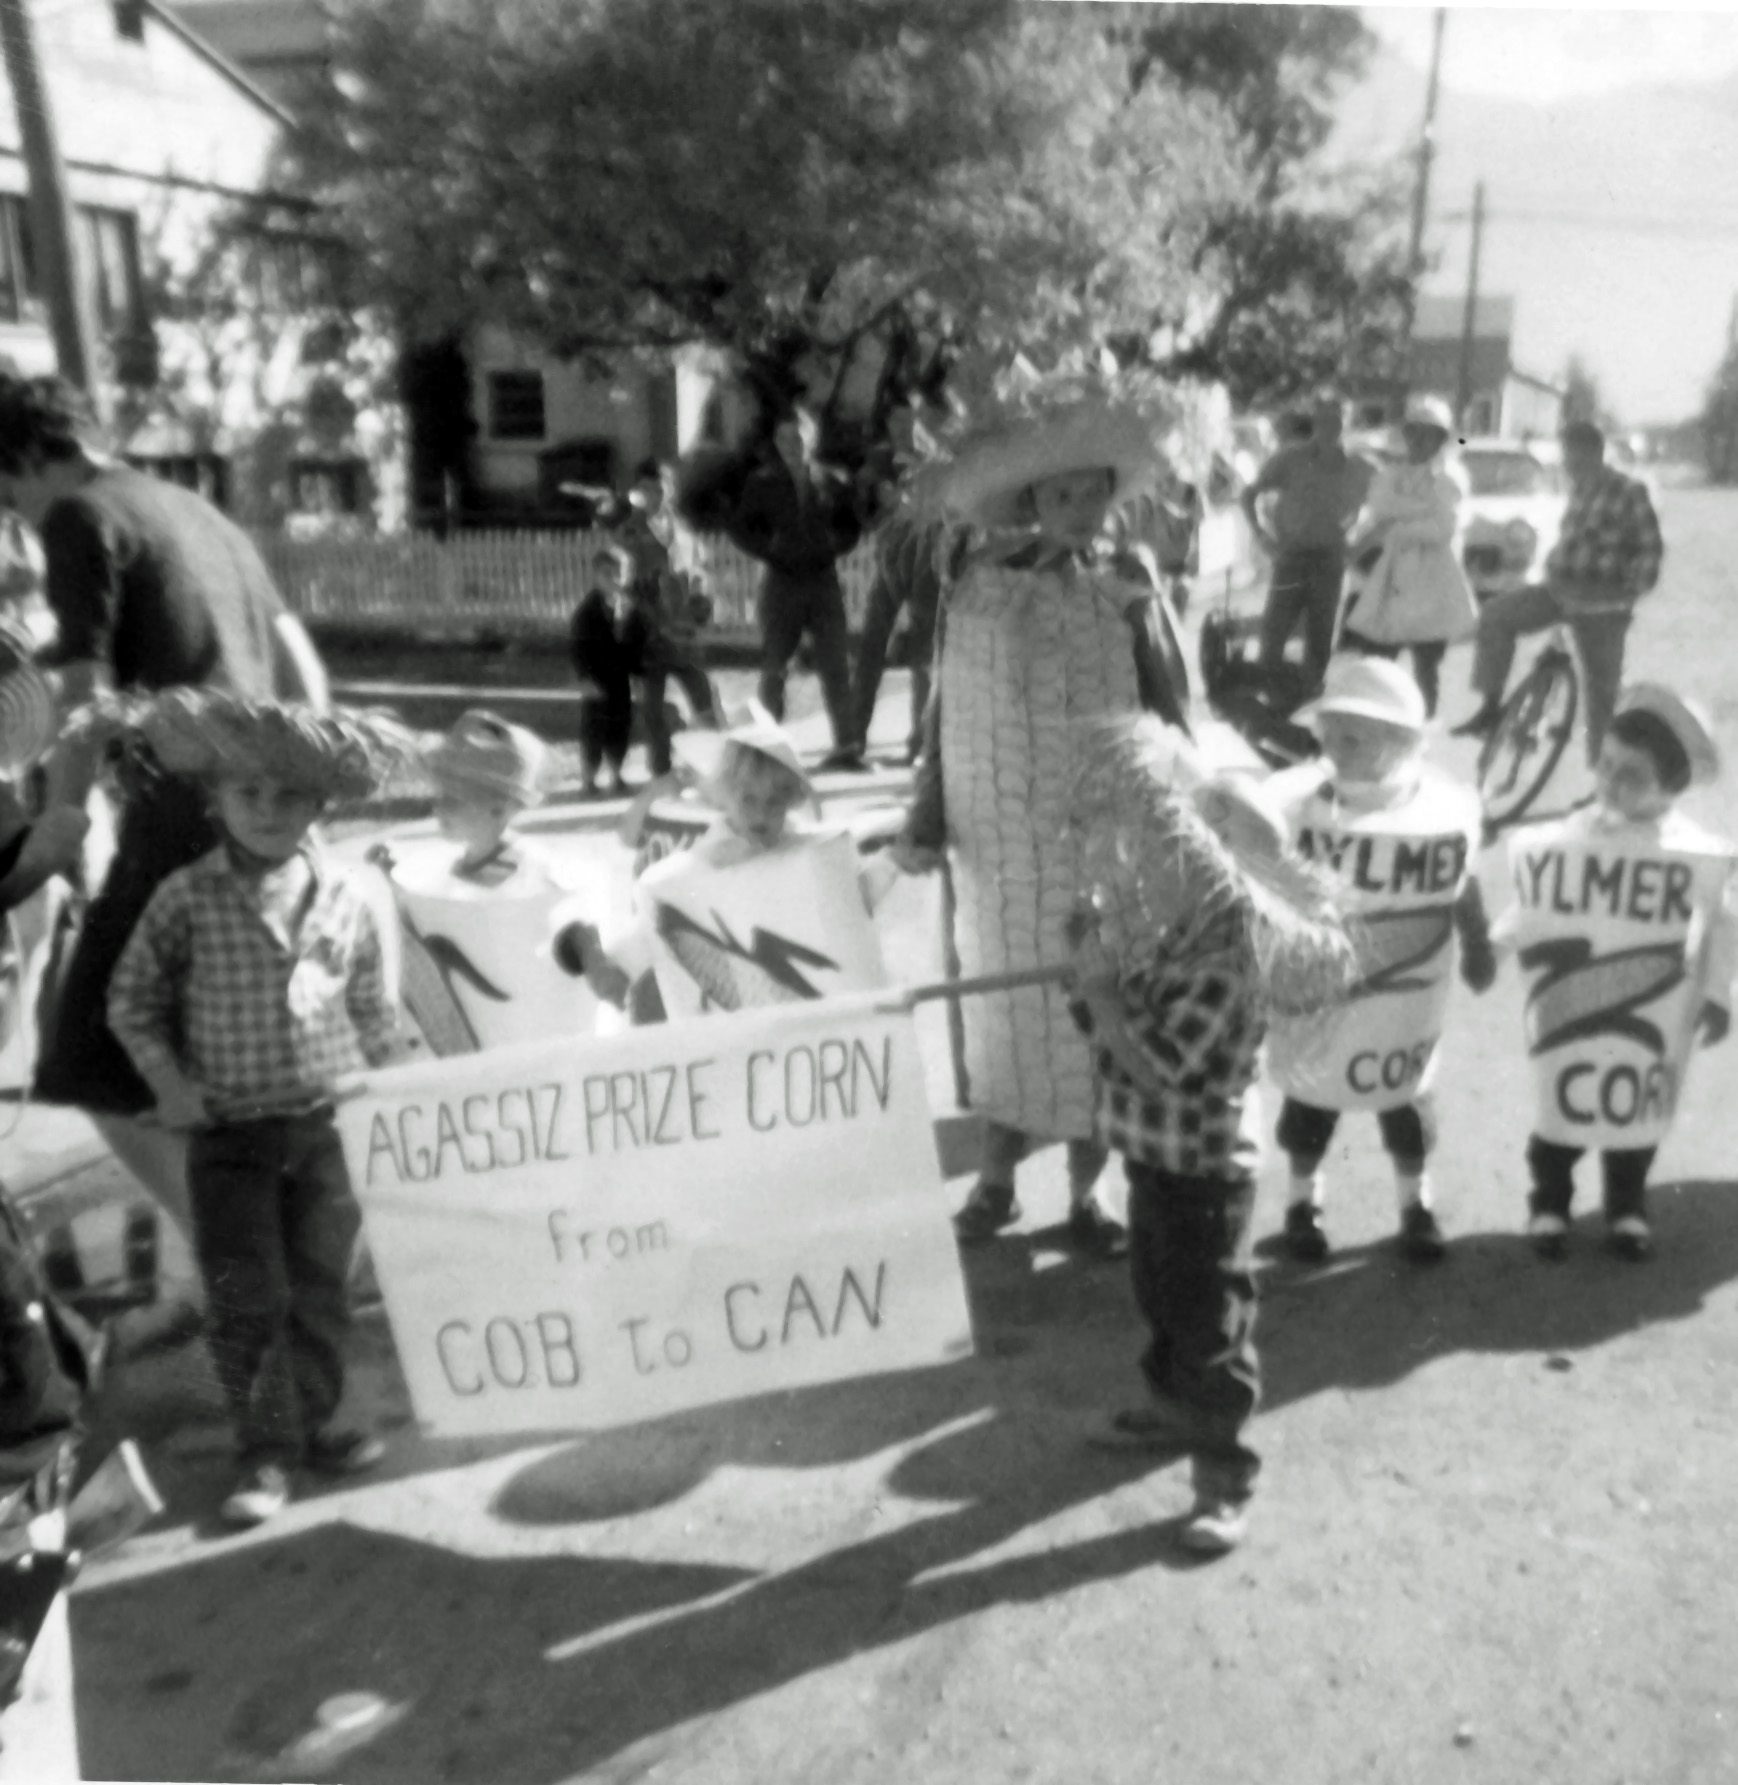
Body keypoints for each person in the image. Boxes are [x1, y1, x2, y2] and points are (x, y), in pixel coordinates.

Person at [0, 375, 328, 1269]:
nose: (21, 518)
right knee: (205, 1067)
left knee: (88, 1060)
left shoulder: (79, 516)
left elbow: (84, 694)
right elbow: (301, 674)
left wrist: (63, 821)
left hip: (176, 816)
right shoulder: (202, 513)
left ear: (29, 458)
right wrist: (301, 806)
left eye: (9, 494)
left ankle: (236, 1265)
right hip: (265, 814)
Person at [895, 387, 1189, 1259]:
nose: (1077, 508)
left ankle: (1088, 1196)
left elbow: (1169, 706)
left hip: (1106, 841)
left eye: (1091, 492)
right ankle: (995, 1183)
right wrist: (925, 814)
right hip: (1001, 844)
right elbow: (947, 716)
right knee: (1007, 1014)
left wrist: (1187, 812)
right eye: (1059, 494)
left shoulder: (1128, 587)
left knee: (1099, 1014)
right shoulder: (979, 592)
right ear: (1029, 501)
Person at [102, 690, 409, 1528]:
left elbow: (376, 1010)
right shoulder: (186, 898)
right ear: (216, 799)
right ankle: (264, 1449)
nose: (268, 811)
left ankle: (310, 1423)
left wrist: (399, 1083)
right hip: (229, 1132)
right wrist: (168, 1084)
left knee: (318, 1286)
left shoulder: (347, 894)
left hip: (323, 1128)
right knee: (245, 1291)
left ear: (320, 804)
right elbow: (130, 998)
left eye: (289, 795)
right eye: (249, 794)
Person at [1067, 720, 1358, 1553]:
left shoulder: (1226, 960)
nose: (1158, 866)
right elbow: (1111, 1029)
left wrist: (1106, 998)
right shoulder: (1172, 933)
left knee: (1210, 1324)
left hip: (1202, 1168)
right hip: (1154, 1155)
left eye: (1181, 856)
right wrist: (1093, 982)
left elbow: (1159, 1063)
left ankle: (1224, 1472)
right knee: (1157, 1292)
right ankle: (1168, 1409)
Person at [1481, 684, 1733, 1263]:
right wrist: (1498, 941)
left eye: (1633, 776)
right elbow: (1538, 898)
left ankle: (1626, 1206)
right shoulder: (1572, 835)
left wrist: (1718, 995)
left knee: (1636, 1117)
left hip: (1651, 1010)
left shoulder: (1693, 852)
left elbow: (1724, 928)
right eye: (1608, 765)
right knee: (1560, 1108)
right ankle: (1550, 1200)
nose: (1613, 784)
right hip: (1571, 992)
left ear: (1671, 787)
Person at [1264, 656, 1494, 1264]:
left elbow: (1463, 881)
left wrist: (1478, 942)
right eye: (1329, 734)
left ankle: (1415, 1205)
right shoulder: (1295, 805)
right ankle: (1301, 1203)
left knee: (1406, 1102)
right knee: (1311, 1101)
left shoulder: (1445, 807)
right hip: (1324, 990)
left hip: (1405, 999)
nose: (1335, 749)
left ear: (1401, 742)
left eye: (1353, 738)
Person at [1453, 420, 1663, 758]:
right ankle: (1490, 710)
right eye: (1567, 459)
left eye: (1576, 459)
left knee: (1602, 693)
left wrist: (1621, 593)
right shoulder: (1580, 490)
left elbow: (1650, 551)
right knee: (1494, 616)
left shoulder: (1629, 490)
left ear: (1597, 453)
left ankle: (1602, 773)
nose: (1569, 466)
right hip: (1559, 591)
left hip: (1602, 606)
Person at [714, 406, 865, 753]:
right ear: (776, 443)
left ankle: (847, 746)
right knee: (774, 667)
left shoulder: (833, 480)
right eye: (784, 438)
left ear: (810, 439)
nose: (791, 444)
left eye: (797, 437)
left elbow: (850, 525)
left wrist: (835, 544)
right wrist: (768, 546)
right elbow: (740, 527)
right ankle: (768, 750)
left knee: (835, 666)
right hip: (782, 582)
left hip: (823, 581)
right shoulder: (762, 482)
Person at [1336, 394, 1477, 718]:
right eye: (1413, 432)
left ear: (1441, 438)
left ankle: (1422, 730)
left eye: (1428, 434)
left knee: (1427, 666)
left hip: (1435, 579)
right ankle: (1374, 719)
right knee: (1377, 659)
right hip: (1394, 577)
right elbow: (1379, 508)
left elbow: (1443, 527)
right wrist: (1414, 513)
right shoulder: (1391, 476)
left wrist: (1398, 525)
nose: (1419, 440)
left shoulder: (1450, 478)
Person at [1240, 394, 1373, 698]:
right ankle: (1267, 693)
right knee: (1275, 627)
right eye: (1324, 419)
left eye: (1337, 419)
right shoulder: (1290, 458)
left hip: (1331, 560)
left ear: (1347, 423)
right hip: (1291, 557)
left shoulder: (1360, 467)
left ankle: (1310, 694)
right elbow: (1249, 495)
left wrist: (1361, 545)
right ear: (1315, 421)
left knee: (1321, 631)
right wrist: (1261, 535)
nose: (1330, 426)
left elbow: (1387, 506)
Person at [838, 508, 943, 770]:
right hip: (922, 560)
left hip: (896, 552)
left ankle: (855, 738)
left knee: (872, 653)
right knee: (923, 659)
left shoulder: (899, 514)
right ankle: (920, 742)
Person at [424, 709, 555, 891]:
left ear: (499, 809)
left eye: (453, 799)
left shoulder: (532, 872)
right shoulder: (452, 865)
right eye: (438, 797)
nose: (438, 809)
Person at [569, 545, 654, 798]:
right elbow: (578, 647)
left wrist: (639, 675)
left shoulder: (630, 610)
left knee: (620, 726)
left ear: (627, 576)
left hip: (620, 679)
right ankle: (589, 778)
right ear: (596, 576)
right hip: (596, 678)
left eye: (620, 573)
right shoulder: (586, 612)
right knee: (594, 729)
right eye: (607, 573)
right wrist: (583, 677)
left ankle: (616, 774)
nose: (614, 579)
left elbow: (638, 645)